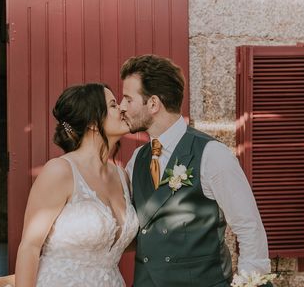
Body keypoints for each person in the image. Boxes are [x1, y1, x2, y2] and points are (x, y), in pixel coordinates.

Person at [121, 54, 272, 287]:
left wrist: (249, 282)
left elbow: (248, 226)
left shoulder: (212, 154)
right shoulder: (136, 160)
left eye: (128, 99)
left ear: (152, 104)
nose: (122, 108)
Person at [14, 83, 139, 287]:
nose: (122, 109)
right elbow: (30, 246)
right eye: (114, 105)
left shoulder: (122, 177)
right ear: (92, 122)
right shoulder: (59, 172)